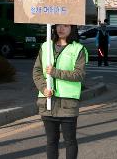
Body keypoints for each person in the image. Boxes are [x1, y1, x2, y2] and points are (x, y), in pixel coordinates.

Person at [33, 24, 88, 159]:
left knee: (70, 141)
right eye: (58, 25)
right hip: (48, 101)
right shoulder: (45, 46)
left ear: (72, 28)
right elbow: (37, 71)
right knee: (51, 141)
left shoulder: (78, 49)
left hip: (68, 103)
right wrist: (44, 88)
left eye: (65, 26)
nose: (61, 29)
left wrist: (55, 72)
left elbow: (79, 75)